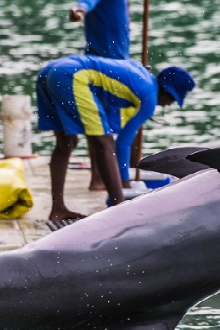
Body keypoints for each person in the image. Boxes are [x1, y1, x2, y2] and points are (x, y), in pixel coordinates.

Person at [36, 54, 196, 221]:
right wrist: (124, 181)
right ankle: (119, 212)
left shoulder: (144, 78)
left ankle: (58, 209)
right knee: (105, 143)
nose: (168, 105)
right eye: (172, 101)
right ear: (168, 93)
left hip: (50, 70)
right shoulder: (150, 97)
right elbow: (123, 143)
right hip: (72, 75)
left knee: (66, 144)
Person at [69, 0, 131, 191]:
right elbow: (86, 3)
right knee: (100, 126)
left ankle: (109, 176)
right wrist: (79, 10)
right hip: (102, 64)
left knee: (108, 124)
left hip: (117, 62)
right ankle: (102, 178)